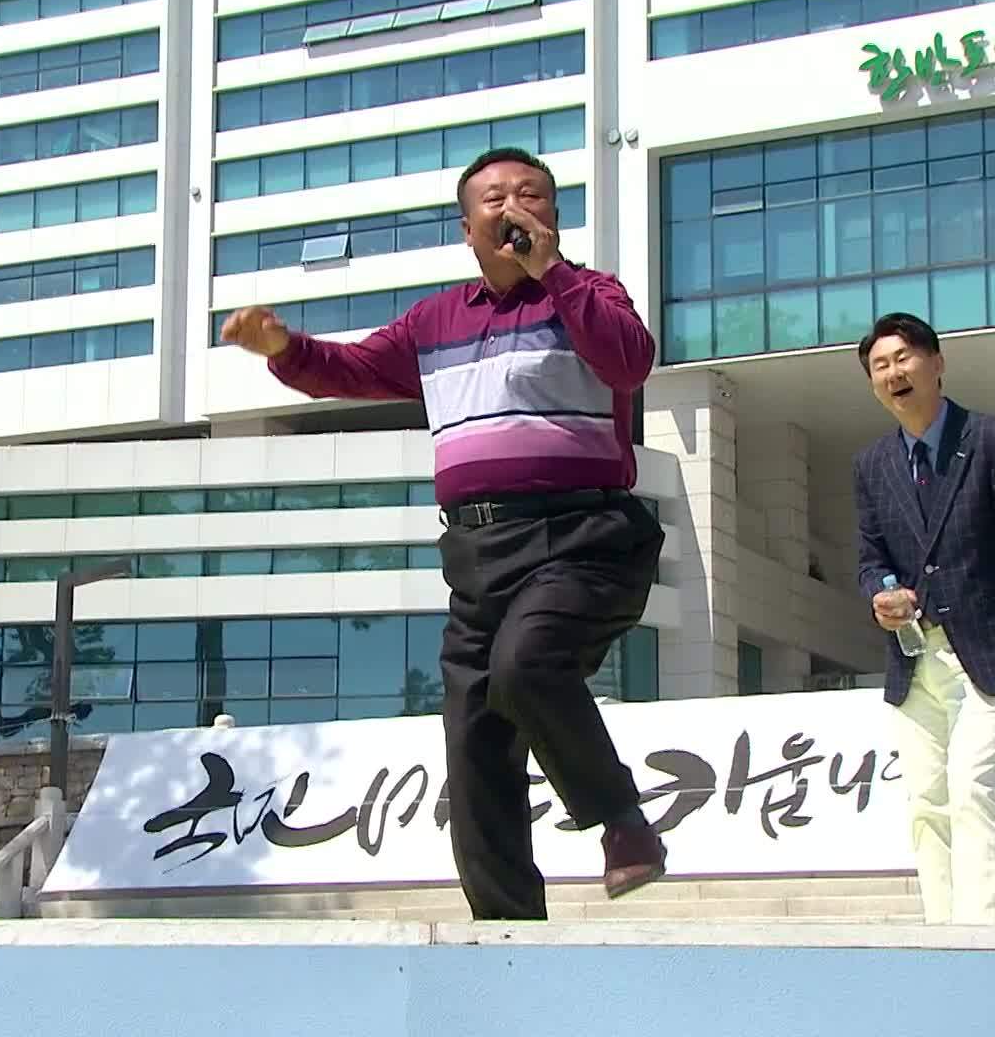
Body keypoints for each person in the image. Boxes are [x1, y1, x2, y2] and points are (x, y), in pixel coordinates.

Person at [217, 147, 668, 920]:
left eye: (531, 195)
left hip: (581, 538)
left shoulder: (590, 293)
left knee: (526, 665)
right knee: (474, 744)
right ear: (467, 228)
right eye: (494, 198)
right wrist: (284, 351)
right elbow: (352, 370)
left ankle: (621, 820)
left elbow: (629, 363)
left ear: (553, 218)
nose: (513, 206)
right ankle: (504, 933)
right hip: (476, 557)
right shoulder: (436, 322)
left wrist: (553, 273)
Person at [851, 312, 995, 926]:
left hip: (986, 651)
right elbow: (871, 558)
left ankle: (981, 936)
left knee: (973, 787)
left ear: (937, 363)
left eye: (903, 358)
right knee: (925, 799)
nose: (893, 373)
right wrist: (882, 594)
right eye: (880, 366)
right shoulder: (872, 464)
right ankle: (939, 933)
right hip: (912, 658)